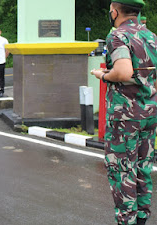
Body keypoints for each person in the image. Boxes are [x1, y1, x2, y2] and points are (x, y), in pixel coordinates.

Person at [91, 1, 157, 224]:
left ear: (115, 11)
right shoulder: (151, 36)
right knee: (143, 167)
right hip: (149, 112)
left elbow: (123, 71)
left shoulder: (118, 36)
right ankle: (141, 218)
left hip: (125, 117)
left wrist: (103, 75)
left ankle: (126, 220)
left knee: (121, 170)